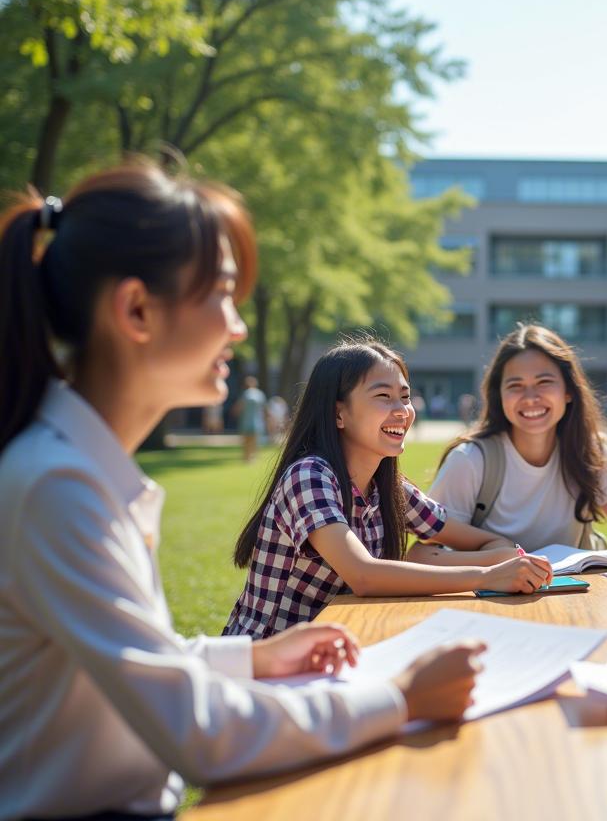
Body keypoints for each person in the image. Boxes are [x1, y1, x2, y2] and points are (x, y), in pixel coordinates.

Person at [0, 162, 485, 820]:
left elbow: (136, 659)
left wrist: (254, 656)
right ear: (137, 310)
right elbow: (200, 733)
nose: (238, 326)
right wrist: (399, 697)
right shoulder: (57, 486)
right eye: (222, 296)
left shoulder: (80, 471)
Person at [226, 341, 553, 638]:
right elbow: (365, 576)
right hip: (266, 661)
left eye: (405, 397)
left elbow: (474, 537)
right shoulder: (309, 475)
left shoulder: (389, 488)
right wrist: (487, 575)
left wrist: (498, 555)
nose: (402, 411)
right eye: (383, 396)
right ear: (339, 413)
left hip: (339, 648)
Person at [429, 324, 607, 551]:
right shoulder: (469, 460)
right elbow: (426, 552)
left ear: (569, 391)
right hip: (492, 593)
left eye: (544, 382)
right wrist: (496, 561)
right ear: (498, 395)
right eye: (515, 385)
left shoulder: (590, 451)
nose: (531, 397)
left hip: (576, 594)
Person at [233, 374, 267, 461]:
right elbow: (264, 409)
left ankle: (247, 457)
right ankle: (253, 457)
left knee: (246, 441)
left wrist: (235, 413)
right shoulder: (260, 394)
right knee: (255, 441)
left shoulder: (245, 394)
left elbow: (239, 407)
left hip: (246, 421)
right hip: (257, 421)